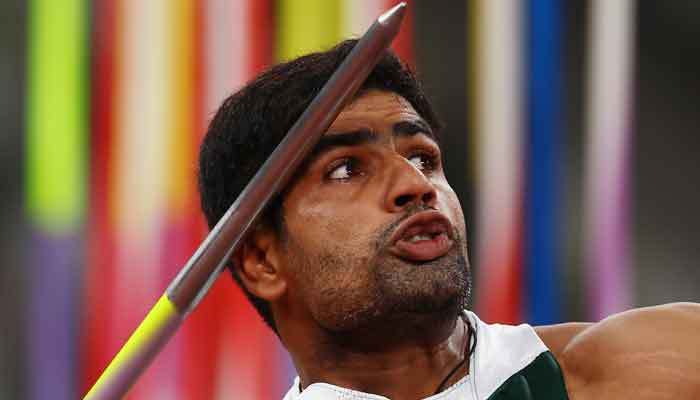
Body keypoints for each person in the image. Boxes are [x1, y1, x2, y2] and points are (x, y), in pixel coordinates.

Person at [198, 40, 700, 400]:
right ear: (263, 260)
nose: (415, 186)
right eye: (346, 169)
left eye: (422, 158)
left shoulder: (659, 367)